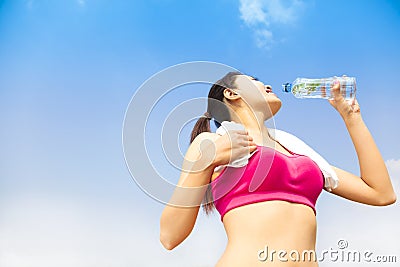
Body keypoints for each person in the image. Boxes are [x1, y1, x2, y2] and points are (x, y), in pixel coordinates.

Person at [159, 71, 397, 266]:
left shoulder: (298, 151)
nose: (267, 84)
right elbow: (170, 236)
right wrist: (206, 163)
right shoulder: (215, 142)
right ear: (231, 94)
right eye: (255, 81)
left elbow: (381, 193)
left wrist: (352, 118)